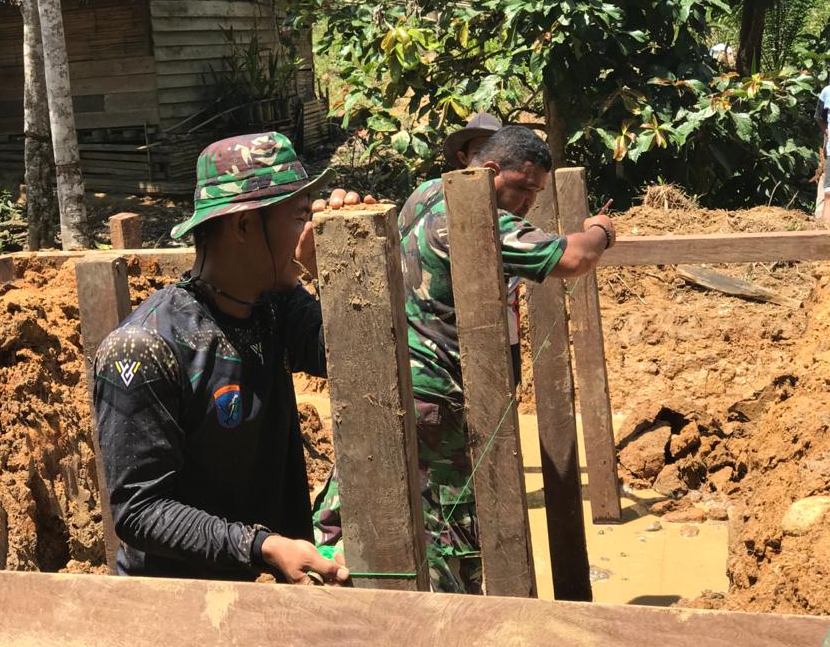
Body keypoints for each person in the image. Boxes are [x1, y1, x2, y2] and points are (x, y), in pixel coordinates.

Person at [314, 118, 616, 594]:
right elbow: (574, 258)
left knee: (367, 496)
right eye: (523, 189)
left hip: (392, 378)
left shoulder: (425, 192)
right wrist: (600, 231)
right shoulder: (476, 216)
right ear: (491, 170)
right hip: (438, 394)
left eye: (536, 194)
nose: (528, 203)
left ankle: (338, 585)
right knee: (446, 526)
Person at [93, 131, 370, 585]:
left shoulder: (274, 306)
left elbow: (355, 361)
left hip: (269, 586)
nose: (311, 232)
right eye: (300, 217)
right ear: (243, 226)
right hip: (181, 604)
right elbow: (140, 511)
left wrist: (346, 266)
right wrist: (261, 546)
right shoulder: (146, 347)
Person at [813, 78, 830, 222]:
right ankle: (824, 227)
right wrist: (827, 133)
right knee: (828, 193)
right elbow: (819, 117)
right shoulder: (827, 92)